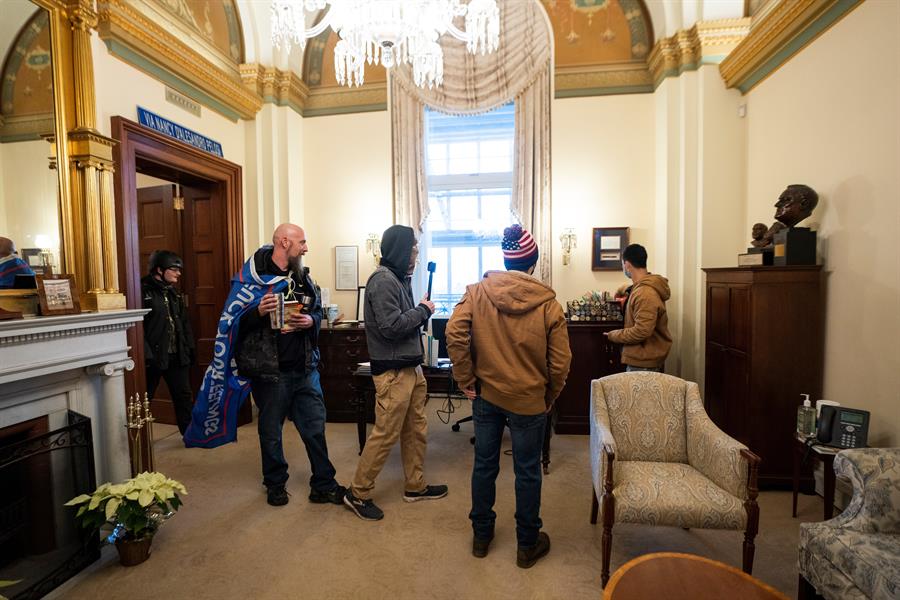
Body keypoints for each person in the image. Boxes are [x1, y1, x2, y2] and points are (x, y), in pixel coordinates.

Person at [446, 224, 571, 569]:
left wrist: (466, 378)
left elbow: (454, 333)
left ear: (506, 259)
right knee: (527, 471)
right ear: (532, 263)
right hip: (530, 400)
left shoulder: (478, 291)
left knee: (485, 465)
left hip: (486, 396)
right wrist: (550, 395)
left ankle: (482, 537)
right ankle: (527, 544)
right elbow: (561, 362)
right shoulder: (550, 304)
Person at [233, 224, 345, 507]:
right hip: (271, 373)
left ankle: (323, 483)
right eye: (302, 242)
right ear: (284, 242)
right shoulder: (250, 281)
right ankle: (275, 483)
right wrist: (258, 312)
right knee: (271, 432)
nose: (306, 248)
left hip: (305, 369)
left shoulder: (304, 278)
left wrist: (311, 321)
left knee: (315, 429)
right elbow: (232, 324)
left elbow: (317, 310)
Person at [344, 225, 447, 521]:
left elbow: (401, 320)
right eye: (413, 249)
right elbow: (391, 328)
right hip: (393, 372)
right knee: (386, 434)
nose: (415, 254)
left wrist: (417, 308)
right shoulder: (383, 281)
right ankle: (357, 492)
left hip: (410, 367)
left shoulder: (400, 279)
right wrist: (424, 310)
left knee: (416, 430)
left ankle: (414, 486)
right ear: (400, 250)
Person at [141, 251, 195, 435]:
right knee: (144, 398)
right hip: (153, 358)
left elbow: (184, 323)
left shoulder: (173, 293)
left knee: (184, 396)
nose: (179, 273)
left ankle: (189, 434)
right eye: (174, 269)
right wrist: (147, 355)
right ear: (159, 269)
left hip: (177, 355)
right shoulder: (141, 291)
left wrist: (189, 349)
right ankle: (139, 439)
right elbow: (136, 328)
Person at [604, 244, 671, 372]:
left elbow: (642, 331)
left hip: (643, 362)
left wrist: (613, 335)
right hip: (643, 359)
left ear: (627, 265)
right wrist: (623, 290)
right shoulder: (641, 289)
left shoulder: (645, 293)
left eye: (623, 264)